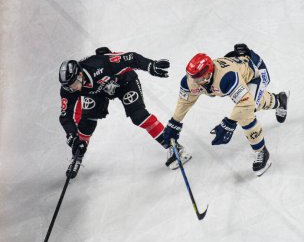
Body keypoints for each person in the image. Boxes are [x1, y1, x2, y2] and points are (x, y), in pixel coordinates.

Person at [59, 47, 191, 178]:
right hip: (98, 92)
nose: (72, 88)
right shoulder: (69, 89)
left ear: (80, 74)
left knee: (139, 115)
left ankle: (174, 147)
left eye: (74, 83)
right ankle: (78, 155)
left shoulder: (100, 65)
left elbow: (131, 58)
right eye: (68, 86)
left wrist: (151, 65)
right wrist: (72, 136)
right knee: (86, 124)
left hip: (124, 82)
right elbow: (66, 116)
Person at [163, 43, 289, 176]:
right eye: (192, 76)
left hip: (255, 72)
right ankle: (280, 100)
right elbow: (185, 101)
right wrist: (174, 123)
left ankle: (262, 151)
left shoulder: (226, 78)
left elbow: (246, 105)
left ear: (209, 73)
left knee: (247, 113)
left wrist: (229, 123)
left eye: (198, 77)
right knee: (247, 106)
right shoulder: (191, 80)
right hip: (238, 69)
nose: (194, 81)